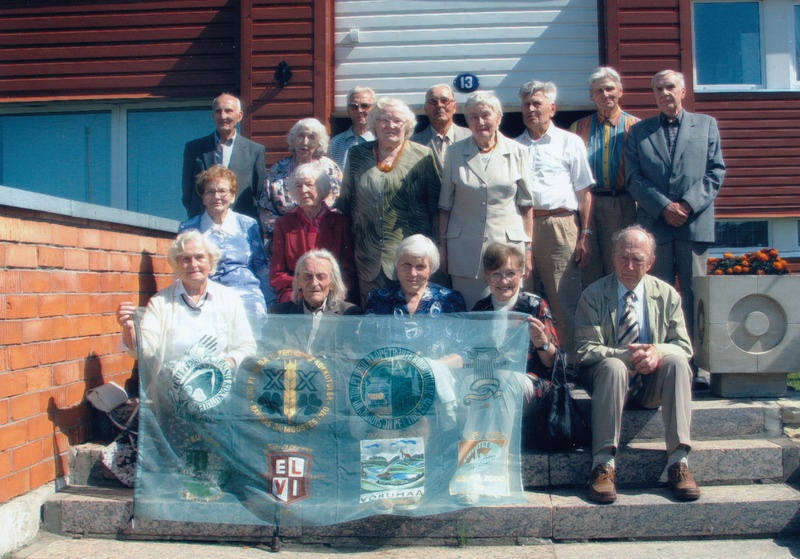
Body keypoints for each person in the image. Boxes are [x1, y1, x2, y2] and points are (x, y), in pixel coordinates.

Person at [574, 225, 698, 504]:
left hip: (651, 385)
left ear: (651, 262)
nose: (629, 266)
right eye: (623, 258)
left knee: (677, 363)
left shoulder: (667, 295)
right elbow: (585, 350)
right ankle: (603, 465)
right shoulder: (593, 295)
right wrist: (625, 357)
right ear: (613, 256)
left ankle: (679, 462)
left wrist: (656, 351)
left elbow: (684, 345)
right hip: (608, 383)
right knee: (614, 367)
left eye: (638, 260)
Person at [625, 69, 725, 373]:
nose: (664, 93)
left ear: (682, 91)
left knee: (696, 295)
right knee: (658, 296)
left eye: (670, 87)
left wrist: (687, 205)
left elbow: (715, 171)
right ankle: (664, 364)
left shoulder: (706, 125)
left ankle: (700, 366)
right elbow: (633, 177)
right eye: (658, 89)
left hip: (693, 226)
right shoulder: (639, 132)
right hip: (656, 227)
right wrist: (665, 206)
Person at [516, 79, 595, 363]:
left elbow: (584, 191)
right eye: (526, 104)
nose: (531, 109)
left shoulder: (570, 142)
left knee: (563, 299)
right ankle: (537, 362)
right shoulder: (514, 146)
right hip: (522, 226)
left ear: (553, 108)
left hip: (560, 224)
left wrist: (585, 233)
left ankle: (570, 365)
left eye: (537, 103)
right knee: (526, 297)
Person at [337, 97, 440, 304]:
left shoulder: (423, 155)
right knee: (374, 317)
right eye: (384, 120)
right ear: (374, 123)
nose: (390, 126)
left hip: (412, 260)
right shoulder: (357, 155)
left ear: (407, 125)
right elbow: (345, 203)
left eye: (397, 121)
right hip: (368, 258)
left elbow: (435, 207)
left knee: (412, 312)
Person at [116, 229, 256, 380]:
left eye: (199, 257)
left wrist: (227, 363)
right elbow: (143, 351)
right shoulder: (160, 302)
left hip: (219, 386)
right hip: (172, 390)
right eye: (185, 259)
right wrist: (129, 329)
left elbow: (247, 346)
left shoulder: (229, 299)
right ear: (176, 264)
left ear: (210, 262)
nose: (193, 264)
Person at [439, 91, 534, 308]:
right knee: (470, 313)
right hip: (465, 251)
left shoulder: (519, 152)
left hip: (508, 247)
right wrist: (443, 252)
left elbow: (527, 207)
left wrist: (528, 250)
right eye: (473, 116)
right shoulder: (454, 153)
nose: (480, 122)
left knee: (508, 312)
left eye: (486, 115)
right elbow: (445, 207)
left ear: (498, 118)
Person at [570, 67, 640, 284]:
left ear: (620, 91)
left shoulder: (635, 127)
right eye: (598, 91)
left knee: (621, 264)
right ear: (591, 96)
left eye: (609, 89)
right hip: (586, 204)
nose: (605, 95)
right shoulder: (578, 127)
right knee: (588, 268)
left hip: (622, 203)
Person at [179, 166, 272, 313]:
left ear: (233, 196)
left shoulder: (248, 225)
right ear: (202, 197)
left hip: (246, 293)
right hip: (206, 292)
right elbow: (181, 269)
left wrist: (270, 302)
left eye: (222, 191)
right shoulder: (189, 228)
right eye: (210, 191)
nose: (216, 196)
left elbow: (262, 268)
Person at [270, 163, 357, 303]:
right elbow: (277, 274)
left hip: (332, 292)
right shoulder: (283, 225)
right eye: (298, 186)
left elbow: (349, 270)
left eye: (309, 185)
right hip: (295, 293)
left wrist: (327, 290)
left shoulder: (341, 223)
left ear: (321, 188)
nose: (303, 190)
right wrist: (305, 290)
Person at [472, 243, 559, 380]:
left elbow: (553, 362)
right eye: (496, 274)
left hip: (530, 379)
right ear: (487, 277)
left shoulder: (535, 305)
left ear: (521, 275)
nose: (504, 281)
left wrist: (541, 342)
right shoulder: (480, 309)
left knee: (503, 379)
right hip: (488, 379)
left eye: (511, 273)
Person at [257, 118, 343, 255]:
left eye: (311, 137)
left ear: (319, 142)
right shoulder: (278, 169)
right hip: (286, 239)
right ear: (293, 139)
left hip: (325, 239)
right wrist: (283, 231)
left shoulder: (330, 169)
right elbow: (265, 208)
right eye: (300, 136)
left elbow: (340, 206)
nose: (305, 142)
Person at [182, 93, 266, 219]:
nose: (223, 116)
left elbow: (259, 192)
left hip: (240, 222)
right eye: (218, 111)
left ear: (239, 116)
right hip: (203, 221)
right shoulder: (194, 148)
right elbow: (187, 189)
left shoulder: (254, 151)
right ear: (212, 115)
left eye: (228, 111)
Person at [365, 234, 465, 316]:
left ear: (431, 269)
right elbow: (369, 338)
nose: (412, 273)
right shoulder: (377, 299)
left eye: (420, 266)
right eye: (407, 265)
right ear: (397, 265)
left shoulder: (451, 300)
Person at [269, 249, 361, 315]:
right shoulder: (279, 313)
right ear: (299, 281)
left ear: (332, 283)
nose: (314, 283)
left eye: (321, 276)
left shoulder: (348, 314)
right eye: (307, 276)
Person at [410, 83, 472, 172]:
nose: (439, 105)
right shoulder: (414, 143)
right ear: (425, 109)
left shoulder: (471, 137)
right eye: (433, 102)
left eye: (444, 100)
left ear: (454, 107)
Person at [329, 86, 376, 168]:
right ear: (348, 109)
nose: (359, 110)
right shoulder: (336, 143)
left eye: (364, 106)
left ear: (373, 109)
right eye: (354, 106)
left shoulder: (379, 141)